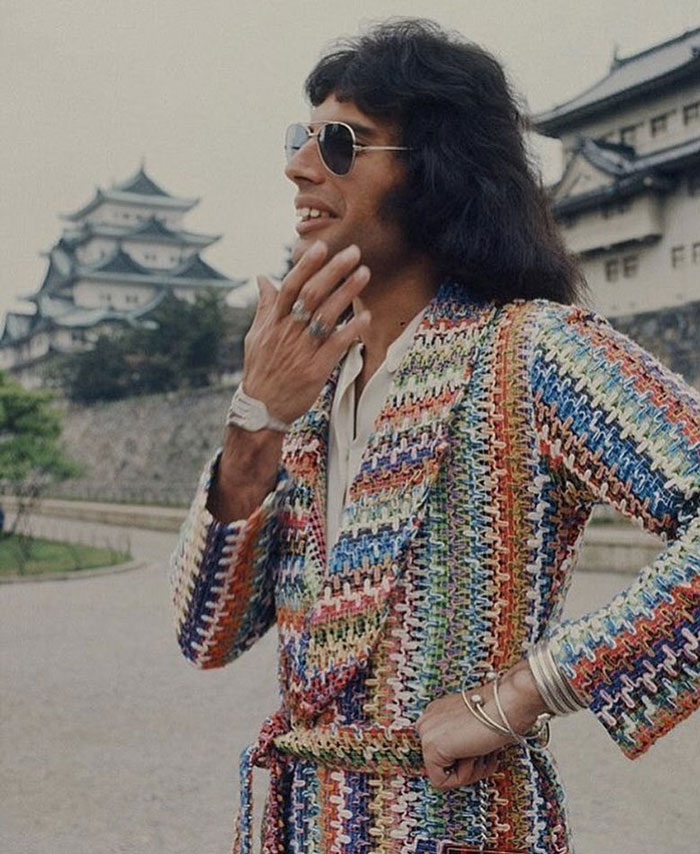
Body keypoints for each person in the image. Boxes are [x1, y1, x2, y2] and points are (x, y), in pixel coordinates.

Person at [170, 18, 700, 854]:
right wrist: (256, 421)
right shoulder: (310, 387)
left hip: (460, 825)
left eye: (341, 143)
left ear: (437, 171)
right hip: (299, 824)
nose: (300, 166)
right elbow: (206, 636)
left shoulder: (533, 353)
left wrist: (522, 693)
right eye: (301, 139)